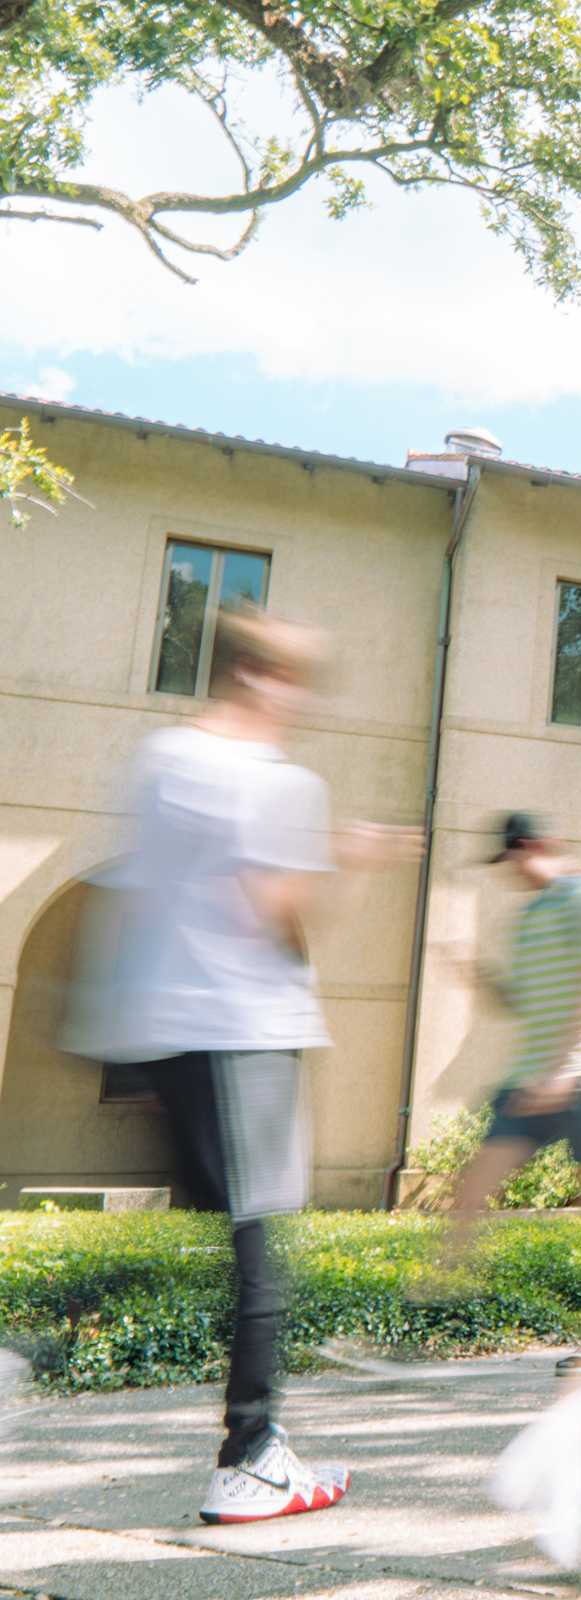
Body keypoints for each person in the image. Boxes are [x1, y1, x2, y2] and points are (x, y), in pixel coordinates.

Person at [60, 609, 420, 1524]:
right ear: (260, 678)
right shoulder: (274, 779)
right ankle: (250, 1456)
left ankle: (30, 1352)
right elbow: (278, 909)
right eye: (294, 683)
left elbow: (132, 887)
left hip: (159, 1026)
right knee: (262, 1246)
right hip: (244, 1024)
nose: (301, 705)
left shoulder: (162, 758)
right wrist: (349, 859)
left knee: (209, 1233)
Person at [433, 813, 581, 1376]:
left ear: (532, 848)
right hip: (532, 1075)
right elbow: (524, 1005)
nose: (508, 876)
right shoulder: (531, 917)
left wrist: (565, 1069)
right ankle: (431, 1310)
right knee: (473, 1185)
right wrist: (476, 974)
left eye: (510, 862)